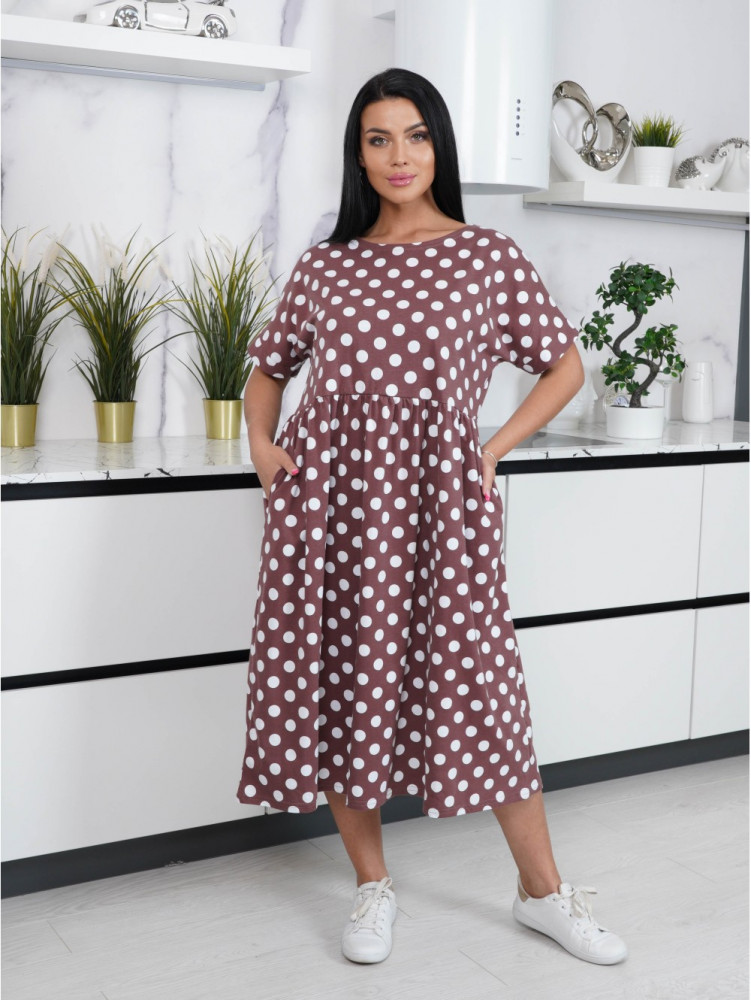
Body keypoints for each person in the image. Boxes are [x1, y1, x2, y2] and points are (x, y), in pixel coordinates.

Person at [237, 67, 627, 968]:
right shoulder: (326, 265)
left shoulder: (485, 256)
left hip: (439, 512)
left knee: (483, 692)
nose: (398, 155)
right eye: (377, 139)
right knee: (340, 684)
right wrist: (263, 447)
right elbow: (268, 370)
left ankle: (542, 894)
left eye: (414, 135)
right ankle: (372, 885)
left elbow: (563, 366)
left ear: (438, 145)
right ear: (358, 155)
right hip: (328, 514)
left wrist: (491, 449)